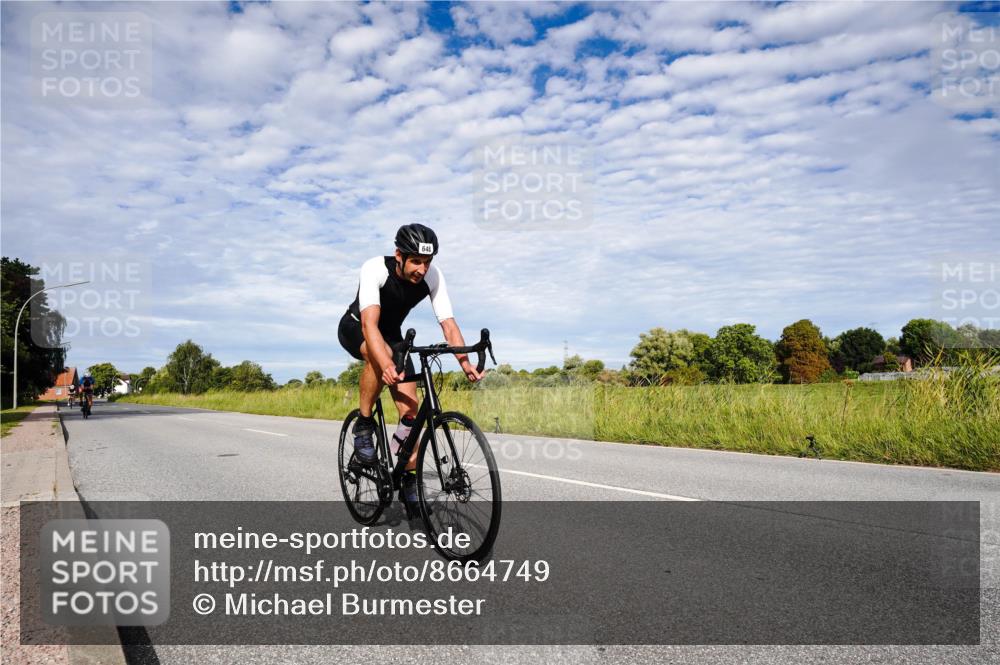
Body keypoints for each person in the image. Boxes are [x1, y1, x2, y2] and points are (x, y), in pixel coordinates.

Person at [338, 223, 483, 509]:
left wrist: (464, 362)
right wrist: (385, 363)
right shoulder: (375, 269)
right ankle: (364, 424)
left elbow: (448, 324)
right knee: (378, 357)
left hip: (392, 337)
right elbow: (370, 325)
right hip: (356, 328)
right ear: (399, 256)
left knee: (411, 413)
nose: (422, 269)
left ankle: (406, 475)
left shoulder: (433, 277)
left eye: (427, 262)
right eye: (415, 261)